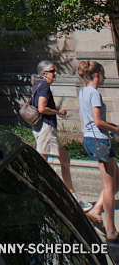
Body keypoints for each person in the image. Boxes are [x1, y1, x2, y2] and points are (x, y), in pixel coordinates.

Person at [30, 60, 92, 211]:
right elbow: (42, 108)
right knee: (42, 163)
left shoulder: (37, 85)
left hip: (44, 129)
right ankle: (36, 197)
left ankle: (71, 195)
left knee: (65, 160)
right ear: (44, 74)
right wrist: (59, 112)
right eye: (52, 71)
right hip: (46, 130)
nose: (55, 73)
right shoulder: (44, 85)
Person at [78, 60, 119, 242]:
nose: (104, 78)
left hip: (94, 139)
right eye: (103, 75)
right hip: (99, 140)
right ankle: (111, 232)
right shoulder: (94, 92)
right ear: (97, 75)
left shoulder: (83, 91)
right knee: (109, 187)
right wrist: (116, 129)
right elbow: (97, 122)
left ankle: (95, 211)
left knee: (116, 180)